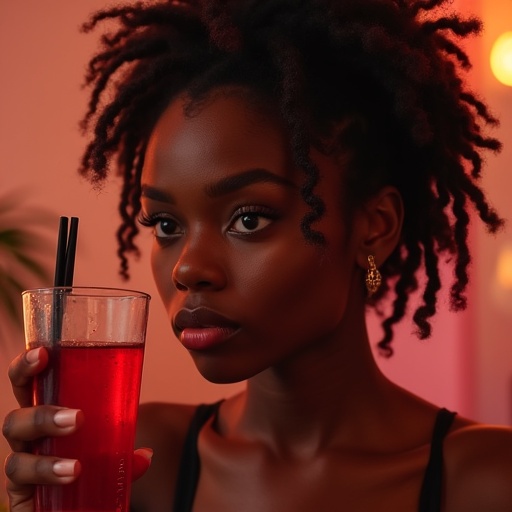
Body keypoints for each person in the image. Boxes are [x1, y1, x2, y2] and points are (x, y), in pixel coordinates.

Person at [4, 0, 512, 510]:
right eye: (166, 224)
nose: (187, 268)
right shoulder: (138, 463)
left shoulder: (485, 480)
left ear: (374, 228)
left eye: (248, 219)